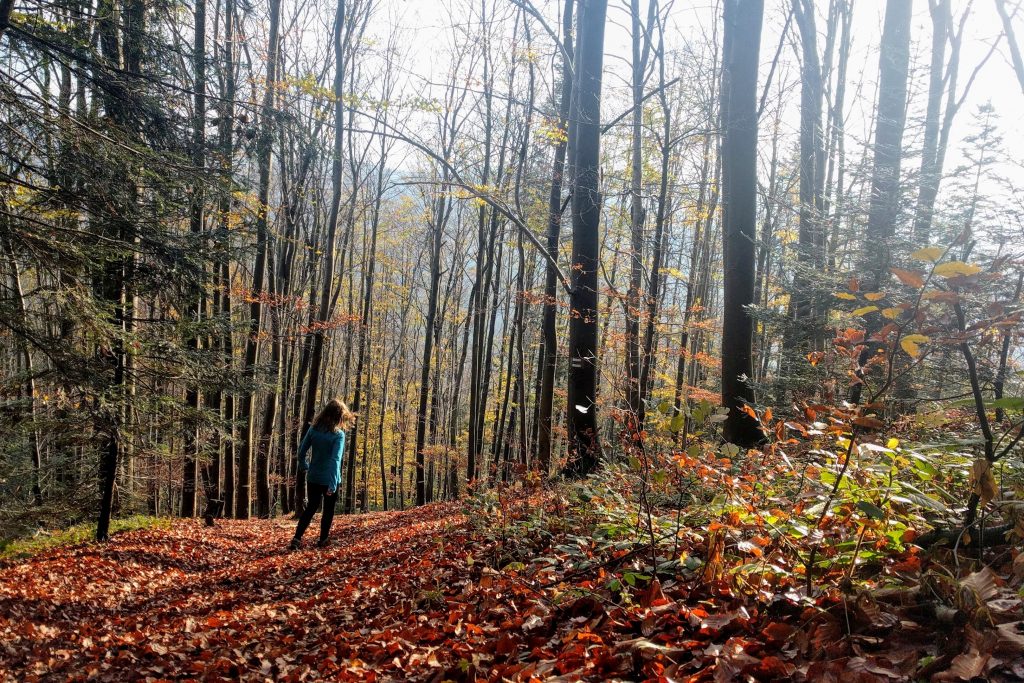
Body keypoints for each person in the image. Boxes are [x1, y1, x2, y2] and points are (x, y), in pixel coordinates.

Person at [290, 399, 355, 550]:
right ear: (339, 415)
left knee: (311, 507)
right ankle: (323, 539)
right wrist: (333, 483)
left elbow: (301, 450)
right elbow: (335, 459)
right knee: (328, 510)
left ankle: (297, 538)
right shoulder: (338, 435)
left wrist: (304, 464)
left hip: (313, 476)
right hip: (329, 478)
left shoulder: (313, 430)